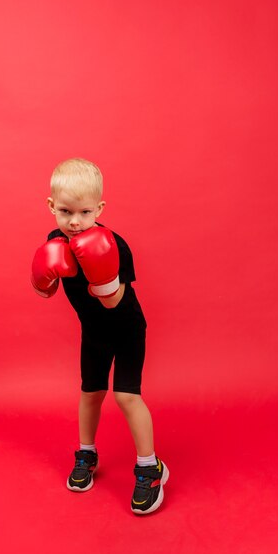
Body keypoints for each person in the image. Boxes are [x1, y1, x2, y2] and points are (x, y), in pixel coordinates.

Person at [31, 157, 169, 514]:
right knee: (90, 393)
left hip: (125, 330)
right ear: (51, 206)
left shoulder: (114, 245)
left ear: (100, 209)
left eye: (85, 211)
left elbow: (113, 301)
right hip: (92, 332)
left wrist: (99, 269)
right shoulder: (54, 240)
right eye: (65, 211)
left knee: (126, 397)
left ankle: (150, 467)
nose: (75, 221)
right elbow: (46, 292)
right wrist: (42, 277)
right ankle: (86, 455)